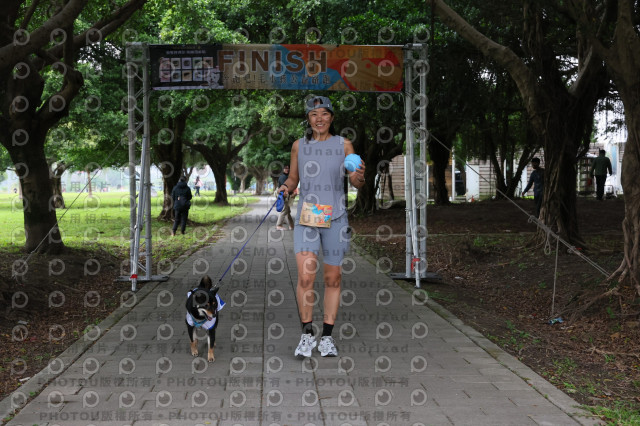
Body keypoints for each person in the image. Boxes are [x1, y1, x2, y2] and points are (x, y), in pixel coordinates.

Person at [277, 96, 365, 358]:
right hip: (309, 216)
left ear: (332, 117)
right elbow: (293, 178)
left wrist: (359, 175)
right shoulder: (299, 146)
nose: (319, 119)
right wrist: (284, 188)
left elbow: (356, 181)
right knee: (306, 277)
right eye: (314, 114)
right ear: (308, 119)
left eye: (324, 113)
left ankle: (326, 337)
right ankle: (306, 335)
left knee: (332, 279)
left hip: (336, 217)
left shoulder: (344, 145)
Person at [276, 165, 294, 230]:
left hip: (285, 196)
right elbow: (285, 188)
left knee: (288, 211)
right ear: (283, 169)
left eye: (288, 168)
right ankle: (279, 225)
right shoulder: (283, 177)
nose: (287, 169)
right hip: (283, 196)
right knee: (284, 211)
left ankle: (291, 225)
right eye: (285, 168)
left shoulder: (286, 177)